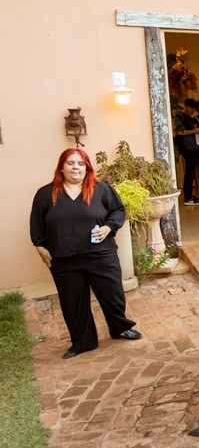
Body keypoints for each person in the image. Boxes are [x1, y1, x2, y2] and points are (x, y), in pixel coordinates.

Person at [30, 149, 141, 359]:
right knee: (72, 302)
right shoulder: (46, 194)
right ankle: (83, 341)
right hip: (64, 258)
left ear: (87, 167)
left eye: (81, 164)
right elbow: (37, 223)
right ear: (61, 167)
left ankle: (119, 327)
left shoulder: (100, 190)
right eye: (70, 163)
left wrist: (108, 227)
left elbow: (118, 211)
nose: (76, 168)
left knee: (112, 295)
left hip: (100, 255)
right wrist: (40, 246)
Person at [176, 98, 199, 206]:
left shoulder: (190, 118)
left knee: (192, 172)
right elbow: (179, 132)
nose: (193, 110)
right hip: (186, 147)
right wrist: (194, 131)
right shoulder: (181, 117)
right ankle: (187, 198)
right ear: (186, 106)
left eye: (194, 109)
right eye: (191, 108)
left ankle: (190, 196)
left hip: (193, 147)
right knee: (189, 172)